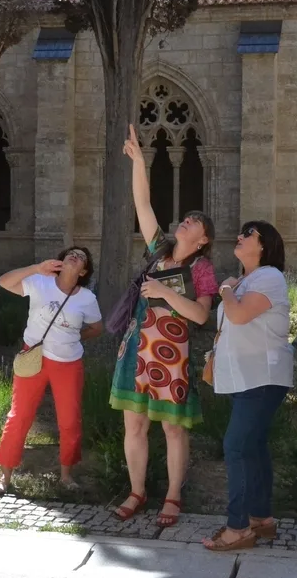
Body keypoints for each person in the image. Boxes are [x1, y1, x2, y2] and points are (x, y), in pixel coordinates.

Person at [109, 124, 219, 527]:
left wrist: (163, 292)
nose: (185, 223)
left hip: (173, 358)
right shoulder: (159, 250)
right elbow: (143, 203)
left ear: (203, 240)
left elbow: (201, 315)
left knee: (173, 430)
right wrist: (139, 161)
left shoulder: (202, 268)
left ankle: (173, 497)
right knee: (134, 425)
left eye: (194, 223)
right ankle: (136, 491)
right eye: (186, 219)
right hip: (136, 350)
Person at [200, 220, 293, 551]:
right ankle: (261, 518)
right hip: (246, 376)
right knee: (252, 446)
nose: (239, 236)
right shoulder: (245, 280)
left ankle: (238, 528)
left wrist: (225, 290)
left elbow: (238, 316)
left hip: (261, 376)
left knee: (236, 446)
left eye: (248, 234)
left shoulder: (269, 276)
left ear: (264, 245)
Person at [0, 246, 103, 494]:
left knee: (69, 420)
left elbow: (97, 328)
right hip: (34, 358)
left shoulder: (87, 298)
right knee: (19, 416)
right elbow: (4, 282)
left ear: (83, 271)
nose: (74, 256)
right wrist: (35, 268)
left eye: (81, 257)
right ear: (60, 262)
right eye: (71, 253)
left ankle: (66, 476)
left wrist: (74, 337)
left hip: (68, 363)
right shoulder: (40, 282)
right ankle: (5, 476)